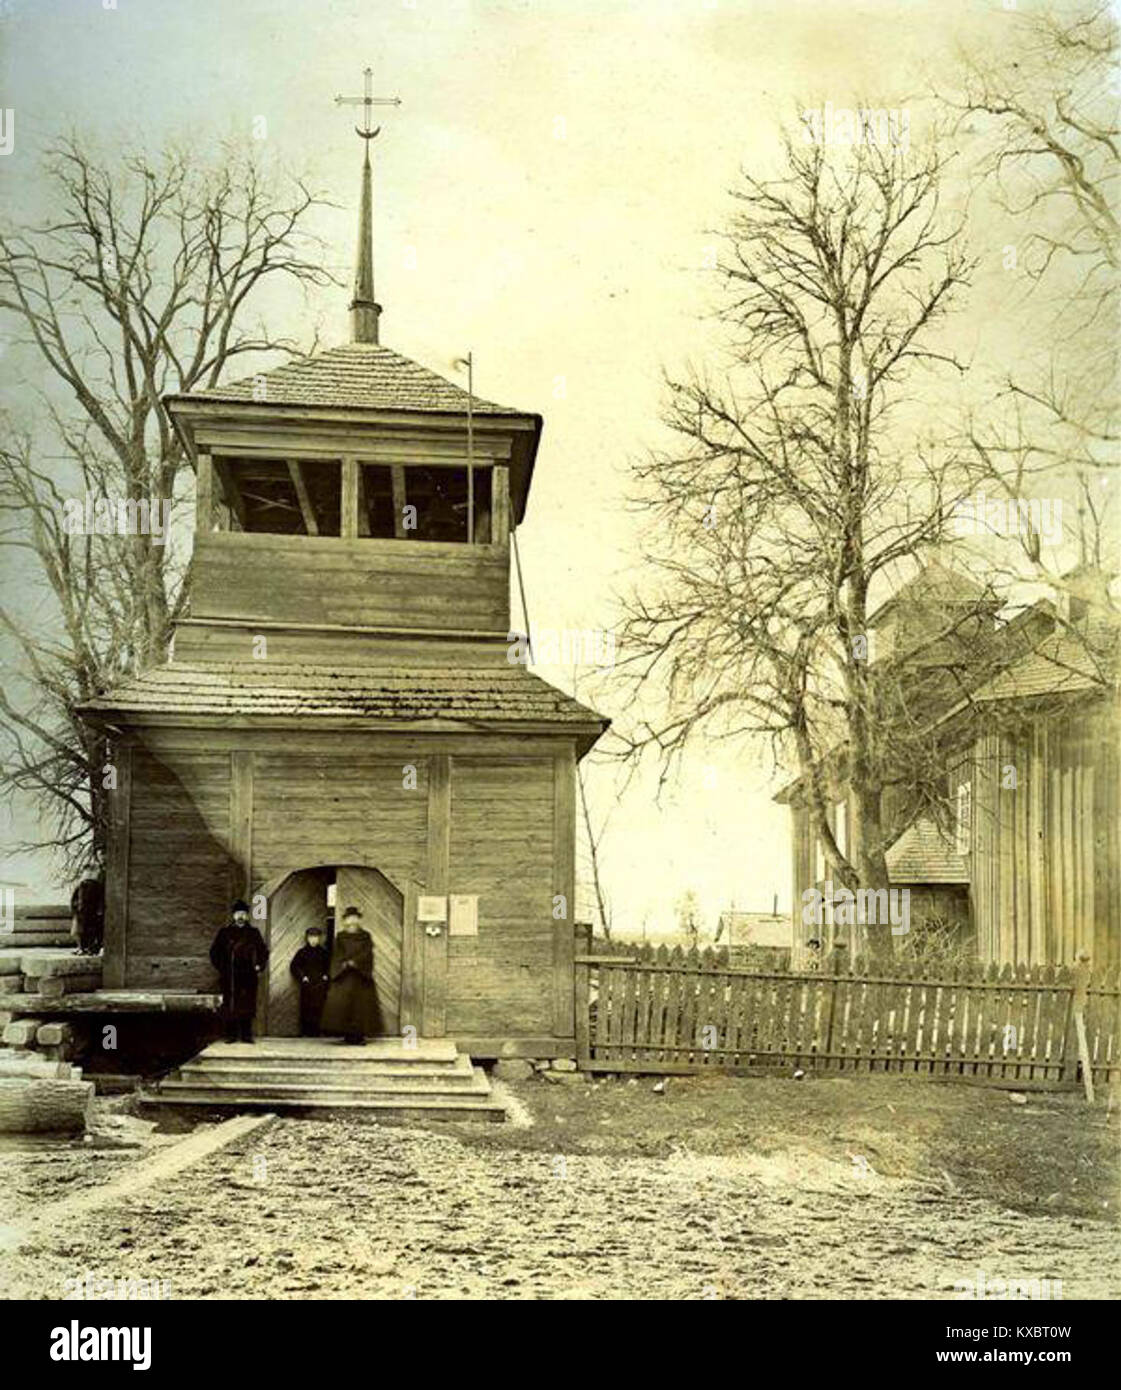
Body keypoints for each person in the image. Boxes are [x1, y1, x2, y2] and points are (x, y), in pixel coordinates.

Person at [209, 899, 268, 1043]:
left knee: (247, 1004)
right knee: (230, 1005)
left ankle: (246, 1035)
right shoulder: (225, 933)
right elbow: (214, 953)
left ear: (247, 916)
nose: (240, 917)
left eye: (243, 914)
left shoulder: (254, 933)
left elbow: (263, 951)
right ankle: (231, 1035)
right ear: (233, 916)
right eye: (237, 914)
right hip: (231, 976)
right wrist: (223, 968)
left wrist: (259, 965)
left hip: (248, 975)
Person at [320, 906, 381, 1044]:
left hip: (361, 977)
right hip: (344, 976)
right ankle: (347, 1035)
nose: (352, 922)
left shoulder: (366, 936)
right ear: (345, 920)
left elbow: (367, 953)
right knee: (343, 1006)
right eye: (349, 919)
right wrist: (344, 963)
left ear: (358, 920)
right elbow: (337, 954)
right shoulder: (340, 936)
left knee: (360, 1007)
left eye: (354, 919)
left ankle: (359, 1036)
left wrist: (356, 962)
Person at [289, 926, 331, 1037]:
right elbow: (294, 966)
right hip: (307, 985)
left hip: (320, 985)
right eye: (311, 937)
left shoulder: (324, 953)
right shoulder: (302, 952)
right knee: (306, 1008)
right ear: (307, 938)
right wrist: (302, 977)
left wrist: (326, 976)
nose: (313, 940)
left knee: (320, 1008)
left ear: (319, 939)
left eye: (316, 937)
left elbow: (330, 967)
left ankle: (318, 1032)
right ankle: (306, 1032)